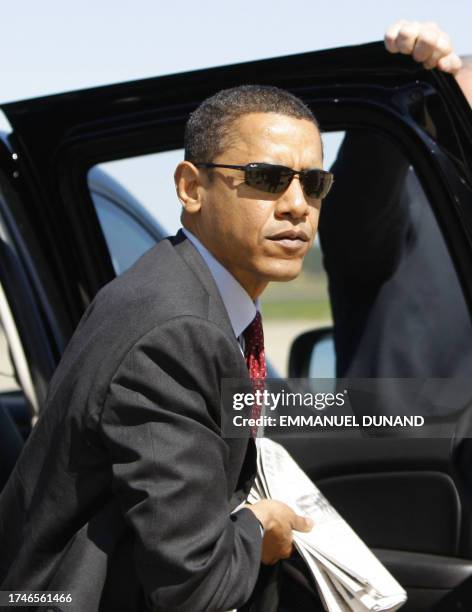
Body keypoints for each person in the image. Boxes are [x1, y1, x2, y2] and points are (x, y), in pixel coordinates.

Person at [0, 86, 332, 611]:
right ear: (190, 187)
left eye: (314, 184)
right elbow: (196, 587)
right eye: (267, 179)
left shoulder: (180, 290)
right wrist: (259, 528)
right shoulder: (179, 331)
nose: (297, 206)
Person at [319, 21, 472, 387]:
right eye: (454, 120)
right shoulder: (402, 201)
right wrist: (396, 81)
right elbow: (362, 198)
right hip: (401, 443)